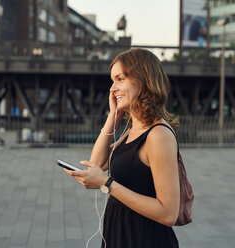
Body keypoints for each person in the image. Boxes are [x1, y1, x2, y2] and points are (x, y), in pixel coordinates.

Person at [63, 48, 180, 248]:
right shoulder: (135, 128)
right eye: (112, 80)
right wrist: (113, 118)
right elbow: (98, 163)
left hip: (144, 239)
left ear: (143, 81)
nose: (112, 88)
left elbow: (169, 213)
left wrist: (107, 184)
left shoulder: (158, 134)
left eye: (120, 79)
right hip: (119, 233)